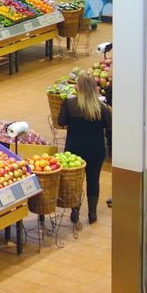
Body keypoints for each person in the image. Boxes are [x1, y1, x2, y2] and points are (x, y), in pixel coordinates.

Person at [58, 72, 112, 225]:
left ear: (78, 87)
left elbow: (61, 121)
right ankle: (92, 213)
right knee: (93, 180)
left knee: (76, 181)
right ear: (95, 88)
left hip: (74, 149)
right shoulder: (102, 108)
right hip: (96, 149)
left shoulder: (69, 104)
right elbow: (109, 127)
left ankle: (75, 210)